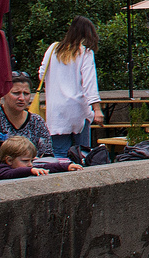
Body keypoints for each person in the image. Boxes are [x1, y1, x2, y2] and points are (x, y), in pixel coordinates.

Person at [40, 16, 104, 157]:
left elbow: (41, 74)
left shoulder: (53, 49)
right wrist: (97, 110)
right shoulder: (85, 53)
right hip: (78, 110)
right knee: (81, 153)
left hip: (56, 110)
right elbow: (89, 83)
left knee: (59, 153)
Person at [0, 72, 52, 160]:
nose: (22, 98)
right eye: (16, 93)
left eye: (26, 93)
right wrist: (15, 161)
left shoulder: (37, 121)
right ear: (3, 93)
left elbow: (48, 155)